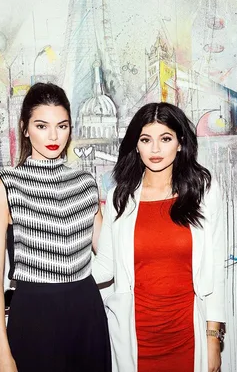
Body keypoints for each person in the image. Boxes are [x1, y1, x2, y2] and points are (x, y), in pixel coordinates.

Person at [0, 82, 111, 372]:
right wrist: (0, 352)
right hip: (33, 316)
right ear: (25, 128)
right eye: (42, 126)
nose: (54, 136)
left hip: (86, 314)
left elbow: (108, 253)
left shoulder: (85, 183)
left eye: (62, 126)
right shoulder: (5, 185)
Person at [92, 102, 226, 372]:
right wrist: (47, 283)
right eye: (146, 139)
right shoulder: (122, 198)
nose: (155, 149)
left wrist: (213, 338)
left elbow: (216, 269)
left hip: (188, 334)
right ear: (136, 145)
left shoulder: (204, 191)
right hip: (134, 339)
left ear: (179, 143)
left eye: (165, 138)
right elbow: (104, 267)